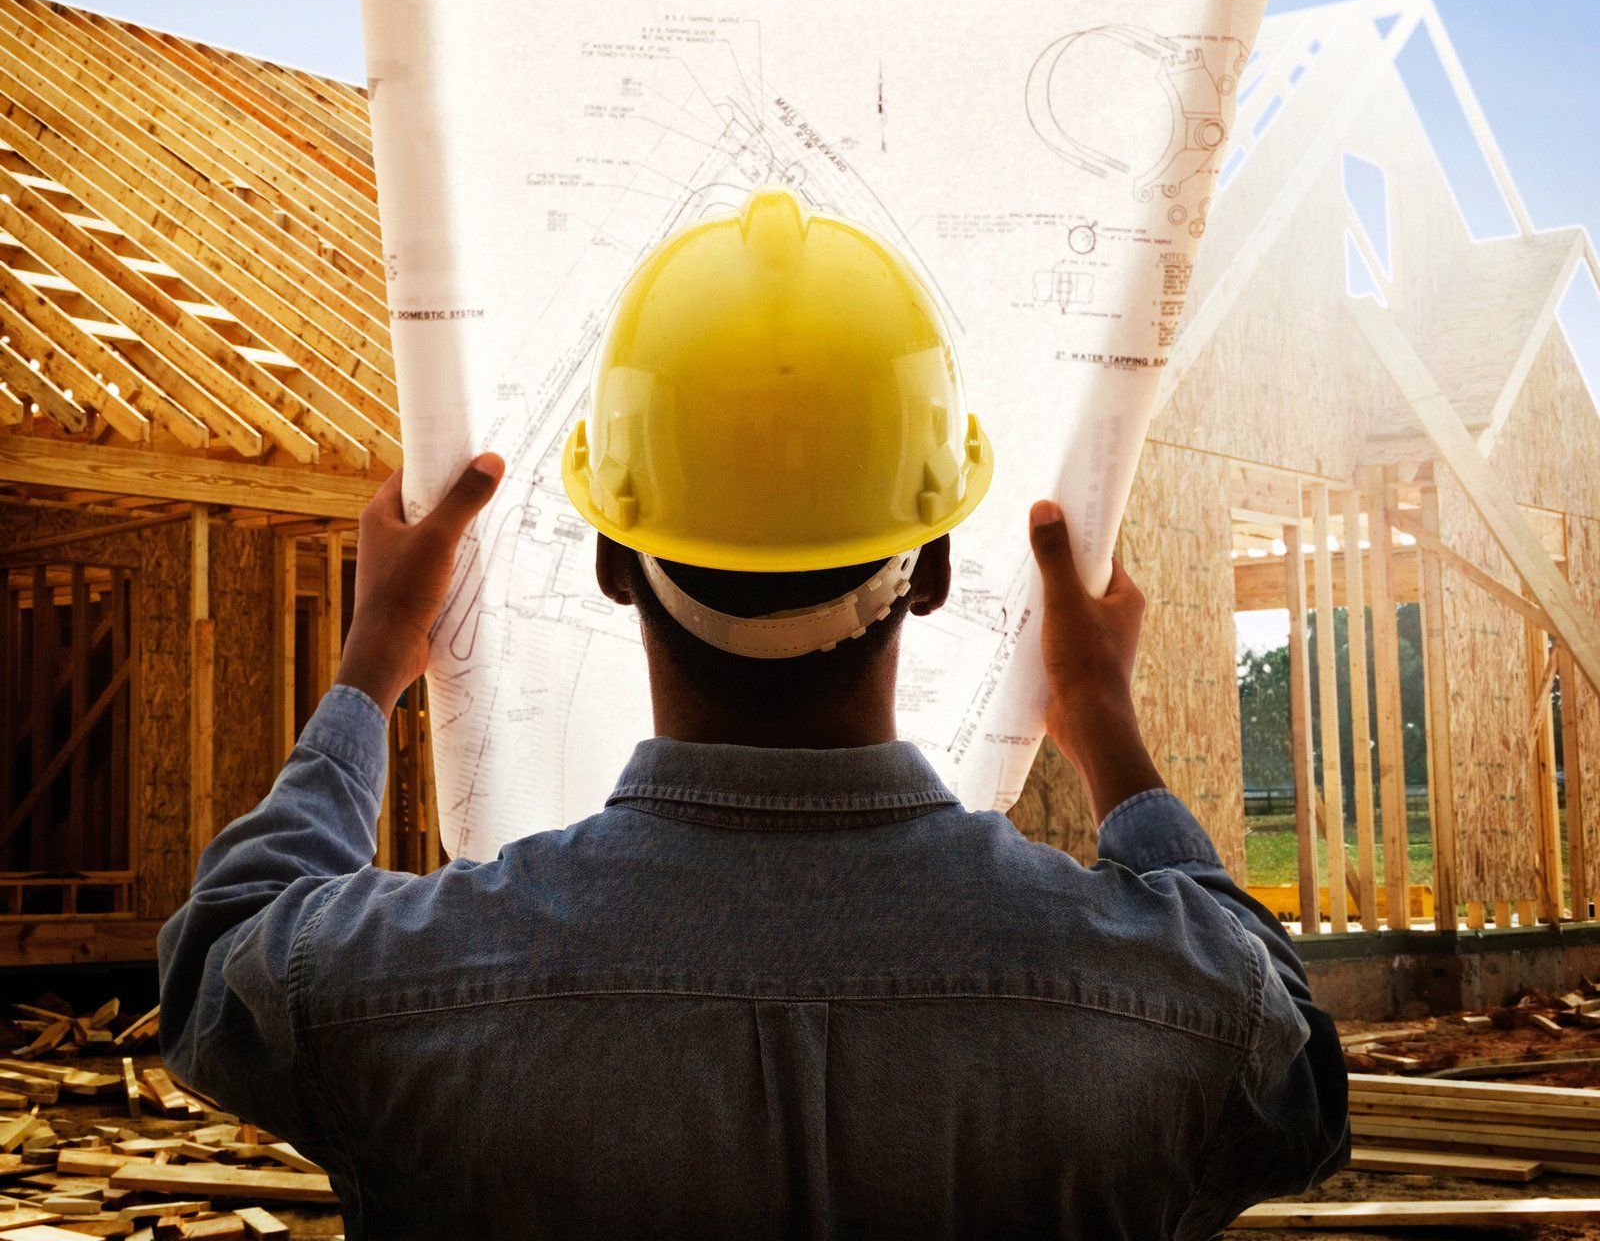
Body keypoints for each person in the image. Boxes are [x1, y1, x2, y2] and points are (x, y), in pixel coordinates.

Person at [159, 188, 1347, 1240]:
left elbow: (221, 951)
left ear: (615, 560)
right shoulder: (1162, 1004)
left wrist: (373, 661)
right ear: (931, 571)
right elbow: (1292, 1060)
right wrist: (1102, 720)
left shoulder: (409, 987)